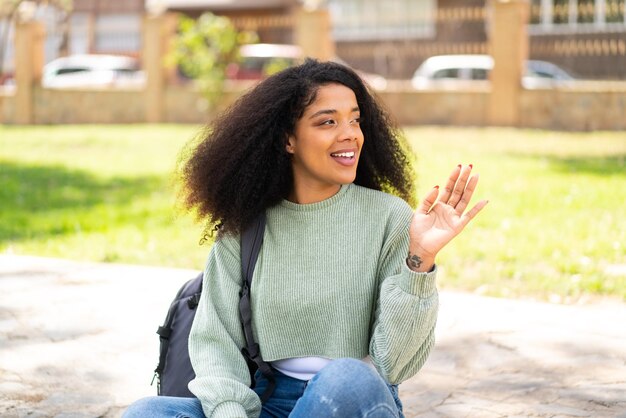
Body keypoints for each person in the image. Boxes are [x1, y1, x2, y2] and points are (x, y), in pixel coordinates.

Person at [123, 59, 488, 418]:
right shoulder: (247, 226)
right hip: (264, 399)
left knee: (345, 377)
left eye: (355, 119)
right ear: (288, 140)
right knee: (148, 412)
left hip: (352, 400)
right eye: (328, 121)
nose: (350, 134)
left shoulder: (389, 218)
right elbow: (215, 343)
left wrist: (419, 259)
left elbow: (393, 365)